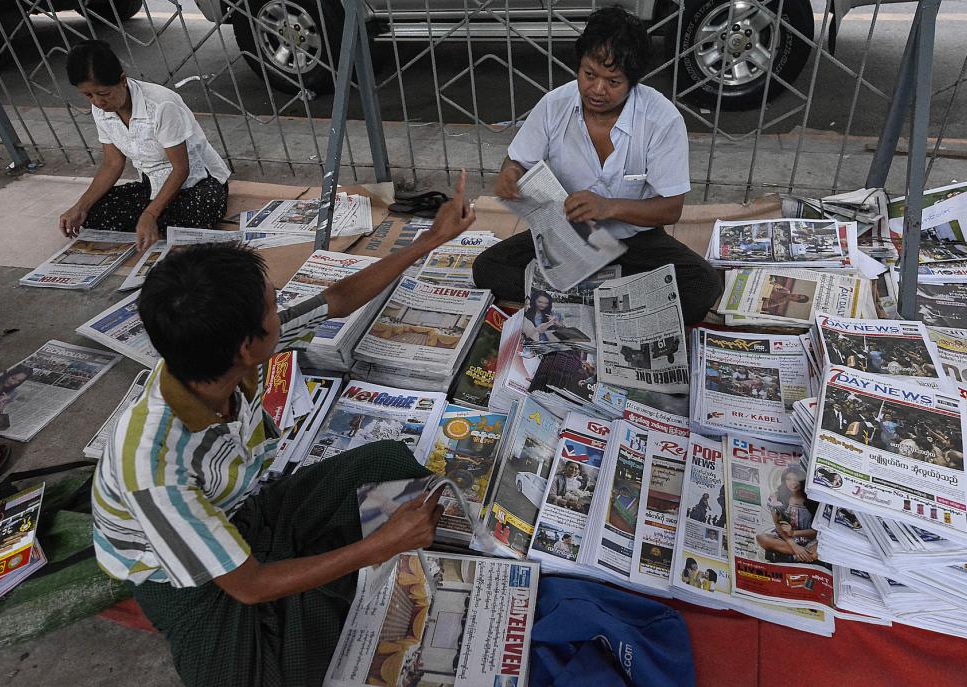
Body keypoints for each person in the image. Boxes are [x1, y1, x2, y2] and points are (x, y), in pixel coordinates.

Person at [91, 174, 476, 686]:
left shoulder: (218, 360)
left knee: (385, 463)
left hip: (244, 512)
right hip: (185, 581)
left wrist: (429, 241)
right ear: (247, 347)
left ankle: (325, 574)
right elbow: (247, 587)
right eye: (273, 307)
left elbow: (337, 300)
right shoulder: (154, 465)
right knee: (271, 674)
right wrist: (375, 547)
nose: (282, 312)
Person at [473, 7, 721, 324]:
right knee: (487, 268)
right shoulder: (554, 105)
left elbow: (670, 209)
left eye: (613, 81)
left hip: (635, 242)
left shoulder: (661, 119)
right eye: (589, 75)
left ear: (633, 82)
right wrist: (510, 173)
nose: (597, 90)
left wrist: (608, 207)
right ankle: (613, 300)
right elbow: (518, 159)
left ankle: (583, 298)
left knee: (703, 284)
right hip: (565, 238)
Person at [58, 40, 231, 252]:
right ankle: (155, 222)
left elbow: (181, 169)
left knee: (193, 213)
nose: (97, 102)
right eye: (88, 95)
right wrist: (80, 207)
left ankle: (154, 221)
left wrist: (149, 214)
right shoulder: (101, 109)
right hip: (152, 186)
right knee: (93, 212)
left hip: (198, 184)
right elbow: (113, 163)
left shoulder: (161, 105)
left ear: (122, 80)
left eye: (103, 94)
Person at [756, 466, 819, 564]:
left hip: (809, 539)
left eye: (796, 479)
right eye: (788, 479)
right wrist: (794, 546)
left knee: (819, 550)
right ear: (784, 480)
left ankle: (790, 557)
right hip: (786, 540)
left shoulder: (813, 500)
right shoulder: (776, 497)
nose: (792, 483)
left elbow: (817, 531)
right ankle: (802, 555)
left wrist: (794, 533)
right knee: (761, 538)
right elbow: (778, 525)